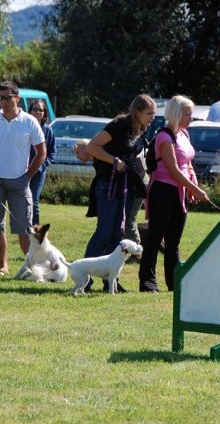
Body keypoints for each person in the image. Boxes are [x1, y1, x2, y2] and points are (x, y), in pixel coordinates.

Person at [84, 94, 157, 292]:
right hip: (107, 184)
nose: (152, 117)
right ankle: (86, 278)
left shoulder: (142, 128)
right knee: (104, 231)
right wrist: (115, 161)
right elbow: (92, 146)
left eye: (154, 114)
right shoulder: (118, 125)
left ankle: (111, 281)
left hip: (128, 185)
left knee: (118, 233)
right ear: (137, 112)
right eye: (149, 113)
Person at [138, 95, 209, 293]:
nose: (191, 118)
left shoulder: (184, 135)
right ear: (177, 114)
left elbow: (187, 164)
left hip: (180, 192)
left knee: (173, 242)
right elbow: (174, 170)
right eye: (188, 114)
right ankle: (147, 283)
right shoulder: (163, 136)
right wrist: (197, 191)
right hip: (163, 191)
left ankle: (174, 284)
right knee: (154, 239)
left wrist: (193, 184)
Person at [0, 81, 46, 276]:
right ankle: (3, 266)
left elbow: (41, 152)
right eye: (0, 98)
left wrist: (27, 176)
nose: (4, 102)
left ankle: (33, 268)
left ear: (17, 98)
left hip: (20, 180)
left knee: (24, 227)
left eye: (8, 98)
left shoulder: (29, 121)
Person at [28, 99, 56, 225]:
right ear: (30, 111)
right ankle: (24, 227)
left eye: (41, 110)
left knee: (34, 200)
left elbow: (51, 153)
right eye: (35, 109)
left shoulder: (48, 131)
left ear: (44, 113)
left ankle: (36, 229)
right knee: (22, 201)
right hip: (22, 170)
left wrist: (42, 165)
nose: (38, 112)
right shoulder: (24, 127)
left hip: (39, 173)